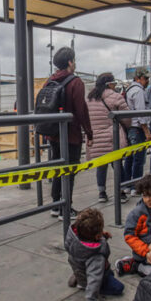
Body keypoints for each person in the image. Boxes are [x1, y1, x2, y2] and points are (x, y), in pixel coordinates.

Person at [47, 47, 93, 220]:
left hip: (53, 133)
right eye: (74, 60)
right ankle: (65, 207)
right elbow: (81, 111)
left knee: (59, 168)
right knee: (70, 171)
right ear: (69, 62)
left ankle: (55, 205)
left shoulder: (50, 80)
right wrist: (89, 133)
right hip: (71, 135)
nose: (75, 63)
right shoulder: (76, 82)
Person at [64, 208, 125, 301]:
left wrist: (103, 236)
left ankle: (79, 277)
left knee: (89, 269)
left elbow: (90, 239)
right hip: (92, 278)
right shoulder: (96, 256)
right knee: (119, 287)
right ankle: (83, 284)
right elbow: (94, 279)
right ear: (97, 236)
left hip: (79, 267)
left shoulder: (74, 239)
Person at [85, 73, 130, 203]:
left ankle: (102, 193)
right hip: (113, 136)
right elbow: (127, 117)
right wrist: (126, 127)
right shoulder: (115, 96)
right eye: (114, 83)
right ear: (109, 84)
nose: (115, 86)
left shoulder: (89, 98)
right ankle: (120, 192)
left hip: (96, 136)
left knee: (101, 165)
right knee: (117, 165)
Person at [122, 67, 151, 195]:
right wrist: (146, 131)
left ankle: (127, 185)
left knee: (130, 158)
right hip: (138, 128)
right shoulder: (139, 91)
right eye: (145, 78)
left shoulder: (129, 89)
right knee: (139, 159)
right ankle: (136, 187)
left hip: (130, 128)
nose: (147, 81)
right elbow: (141, 112)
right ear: (138, 78)